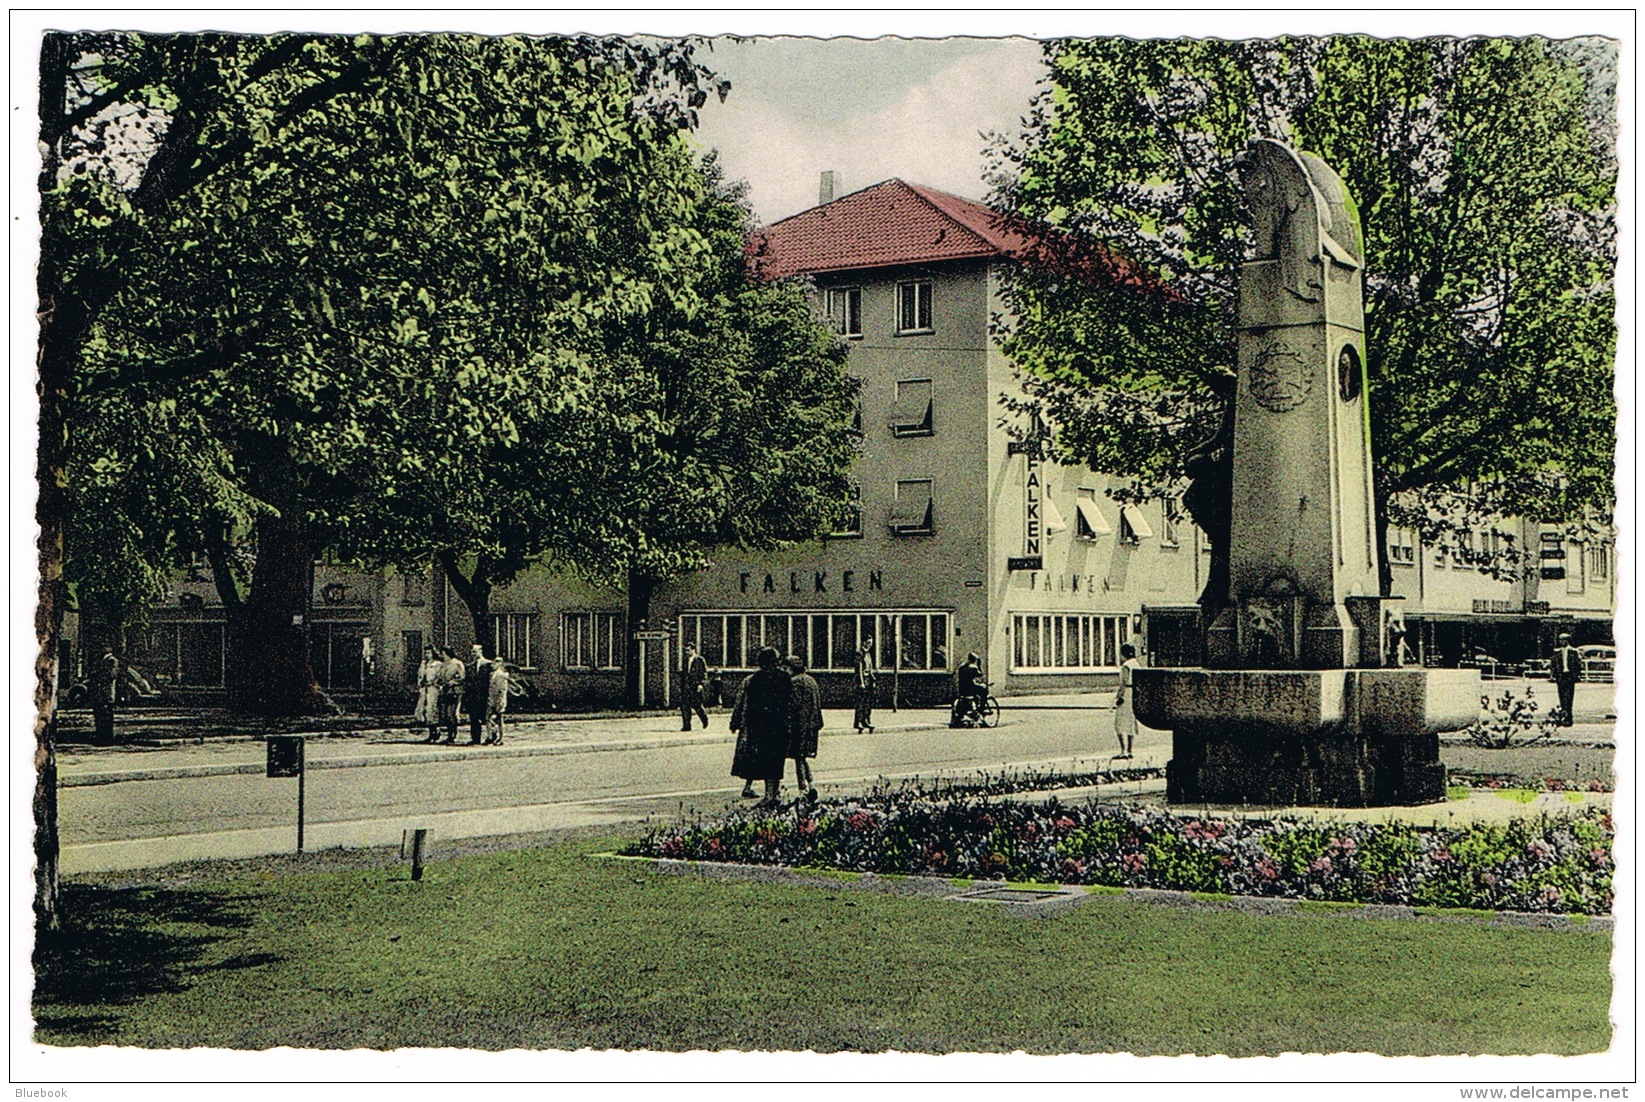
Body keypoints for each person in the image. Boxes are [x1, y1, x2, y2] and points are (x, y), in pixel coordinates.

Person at [730, 646, 792, 807]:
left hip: (762, 728)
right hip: (781, 726)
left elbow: (752, 707)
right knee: (777, 761)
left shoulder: (756, 680)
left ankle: (768, 795)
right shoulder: (784, 678)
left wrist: (748, 727)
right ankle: (774, 794)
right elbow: (789, 702)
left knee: (766, 761)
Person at [786, 655, 824, 803]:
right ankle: (811, 784)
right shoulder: (811, 680)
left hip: (799, 726)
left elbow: (793, 706)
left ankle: (803, 788)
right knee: (802, 757)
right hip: (812, 725)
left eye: (787, 668)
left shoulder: (794, 682)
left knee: (798, 757)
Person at [1113, 642, 1141, 758]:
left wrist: (1118, 697)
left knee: (1119, 723)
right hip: (1135, 694)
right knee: (1130, 722)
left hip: (1127, 694)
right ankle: (1130, 750)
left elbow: (1123, 683)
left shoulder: (1126, 666)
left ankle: (1123, 750)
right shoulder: (1137, 664)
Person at [1550, 632, 1583, 728]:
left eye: (1563, 640)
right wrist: (1553, 675)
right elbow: (1553, 665)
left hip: (1569, 676)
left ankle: (1568, 718)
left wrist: (1576, 675)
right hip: (1561, 677)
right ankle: (1562, 717)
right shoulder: (1556, 652)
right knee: (1561, 697)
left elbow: (1578, 665)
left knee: (1568, 698)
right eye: (1560, 640)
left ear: (1567, 641)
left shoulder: (1573, 651)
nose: (1561, 642)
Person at [436, 646, 465, 745]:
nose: (442, 655)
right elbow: (440, 676)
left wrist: (453, 682)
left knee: (451, 713)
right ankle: (449, 734)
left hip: (454, 691)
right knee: (446, 714)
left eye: (443, 653)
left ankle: (453, 735)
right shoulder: (444, 664)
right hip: (445, 691)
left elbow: (462, 677)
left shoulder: (457, 663)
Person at [462, 644, 490, 746]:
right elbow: (468, 682)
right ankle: (475, 739)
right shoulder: (470, 666)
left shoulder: (488, 664)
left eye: (475, 652)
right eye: (472, 652)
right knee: (474, 718)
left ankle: (491, 736)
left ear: (481, 652)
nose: (473, 654)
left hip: (484, 695)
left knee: (486, 718)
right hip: (473, 696)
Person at [951, 652, 987, 727]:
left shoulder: (961, 667)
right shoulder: (973, 667)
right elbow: (980, 675)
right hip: (971, 688)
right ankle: (981, 709)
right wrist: (979, 665)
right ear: (974, 660)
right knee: (984, 690)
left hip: (962, 688)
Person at [679, 643, 709, 731]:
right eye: (685, 651)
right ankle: (686, 726)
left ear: (693, 650)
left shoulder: (700, 660)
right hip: (686, 687)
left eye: (688, 650)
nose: (686, 652)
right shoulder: (685, 660)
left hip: (695, 686)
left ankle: (704, 719)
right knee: (685, 706)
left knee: (697, 705)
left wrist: (701, 684)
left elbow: (704, 673)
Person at [414, 645, 440, 742]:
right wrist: (420, 683)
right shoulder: (423, 663)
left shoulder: (437, 664)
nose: (426, 655)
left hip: (433, 689)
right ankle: (430, 732)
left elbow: (439, 676)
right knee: (423, 710)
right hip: (424, 689)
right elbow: (419, 675)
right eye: (425, 653)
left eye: (428, 653)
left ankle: (435, 731)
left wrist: (433, 682)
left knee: (431, 709)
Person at [853, 637, 877, 733]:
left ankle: (866, 720)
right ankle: (858, 721)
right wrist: (861, 683)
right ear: (864, 643)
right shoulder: (860, 654)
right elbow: (859, 669)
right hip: (861, 680)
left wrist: (873, 678)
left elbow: (869, 668)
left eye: (871, 643)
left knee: (868, 702)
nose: (870, 645)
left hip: (868, 680)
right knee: (860, 702)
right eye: (868, 643)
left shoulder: (868, 654)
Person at [485, 657, 510, 745]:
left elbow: (502, 689)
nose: (493, 665)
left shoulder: (502, 675)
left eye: (496, 663)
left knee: (500, 719)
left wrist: (500, 701)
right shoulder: (492, 674)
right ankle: (491, 735)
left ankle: (501, 738)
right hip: (491, 698)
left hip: (499, 699)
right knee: (487, 718)